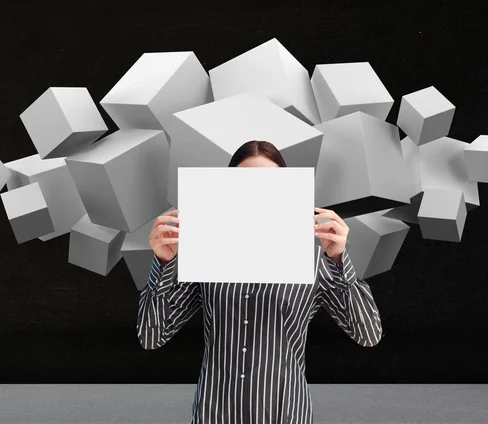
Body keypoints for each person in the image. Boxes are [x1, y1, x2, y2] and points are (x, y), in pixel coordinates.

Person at [136, 140, 383, 424]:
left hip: (285, 414)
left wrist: (340, 259)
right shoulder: (205, 254)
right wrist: (165, 264)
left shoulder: (313, 258)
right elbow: (152, 336)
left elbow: (368, 334)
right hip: (215, 415)